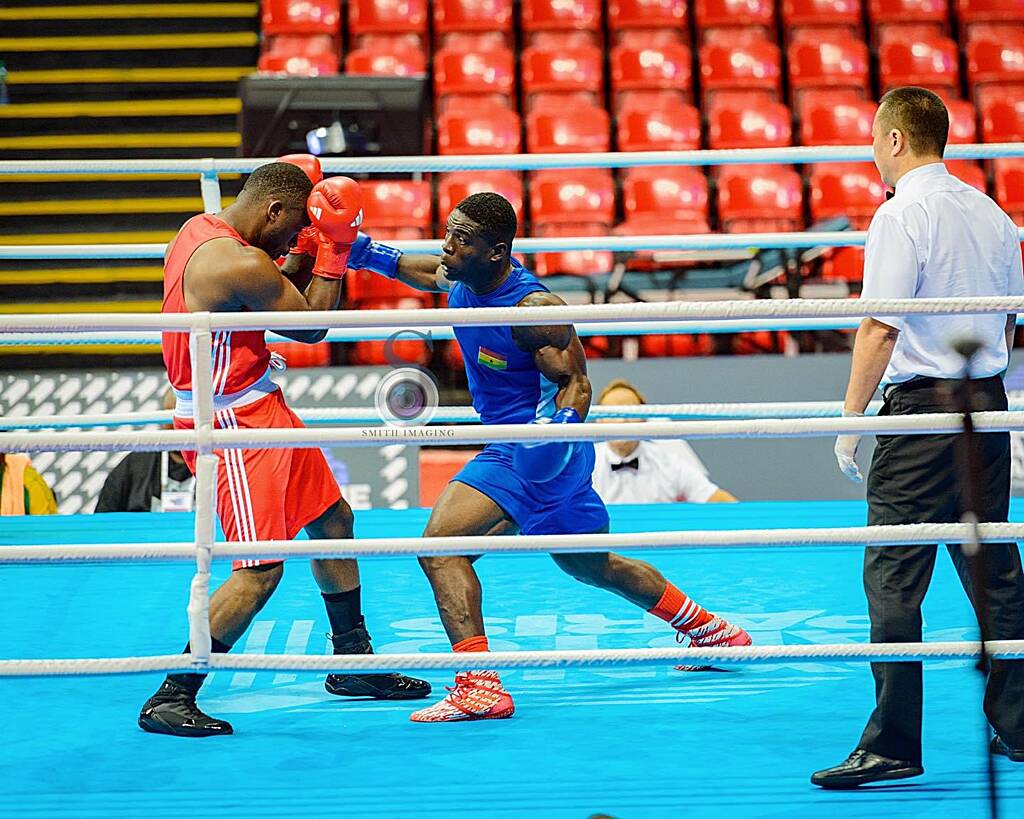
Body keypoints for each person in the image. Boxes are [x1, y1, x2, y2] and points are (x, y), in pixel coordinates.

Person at [344, 192, 751, 723]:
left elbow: (576, 383)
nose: (448, 245)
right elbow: (422, 270)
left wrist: (553, 434)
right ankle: (711, 630)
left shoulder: (533, 309)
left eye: (461, 238)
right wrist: (359, 251)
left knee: (440, 550)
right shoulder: (465, 274)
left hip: (531, 448)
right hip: (536, 452)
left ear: (497, 252)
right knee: (588, 562)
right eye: (449, 232)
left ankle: (480, 688)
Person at [139, 158, 429, 739]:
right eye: (292, 225)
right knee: (260, 568)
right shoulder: (236, 262)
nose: (294, 238)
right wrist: (334, 249)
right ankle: (173, 693)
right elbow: (311, 324)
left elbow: (272, 282)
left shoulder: (205, 229)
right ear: (273, 210)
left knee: (332, 520)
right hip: (233, 427)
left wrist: (308, 238)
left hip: (260, 404)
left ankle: (350, 658)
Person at [812, 87, 1024, 788]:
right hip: (986, 404)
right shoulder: (993, 214)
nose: (873, 151)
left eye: (876, 139)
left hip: (921, 409)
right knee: (991, 567)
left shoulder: (902, 213)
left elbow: (880, 324)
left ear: (897, 141)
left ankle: (894, 742)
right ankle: (1020, 725)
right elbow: (1010, 323)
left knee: (894, 574)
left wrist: (851, 419)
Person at [591, 378, 737, 505]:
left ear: (644, 418)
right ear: (599, 420)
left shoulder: (667, 461)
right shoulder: (585, 463)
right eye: (613, 413)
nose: (622, 420)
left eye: (628, 412)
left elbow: (712, 496)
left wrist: (749, 520)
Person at [96, 388, 195, 513]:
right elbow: (104, 515)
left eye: (186, 420)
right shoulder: (136, 464)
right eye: (171, 419)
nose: (178, 427)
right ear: (163, 420)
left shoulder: (216, 462)